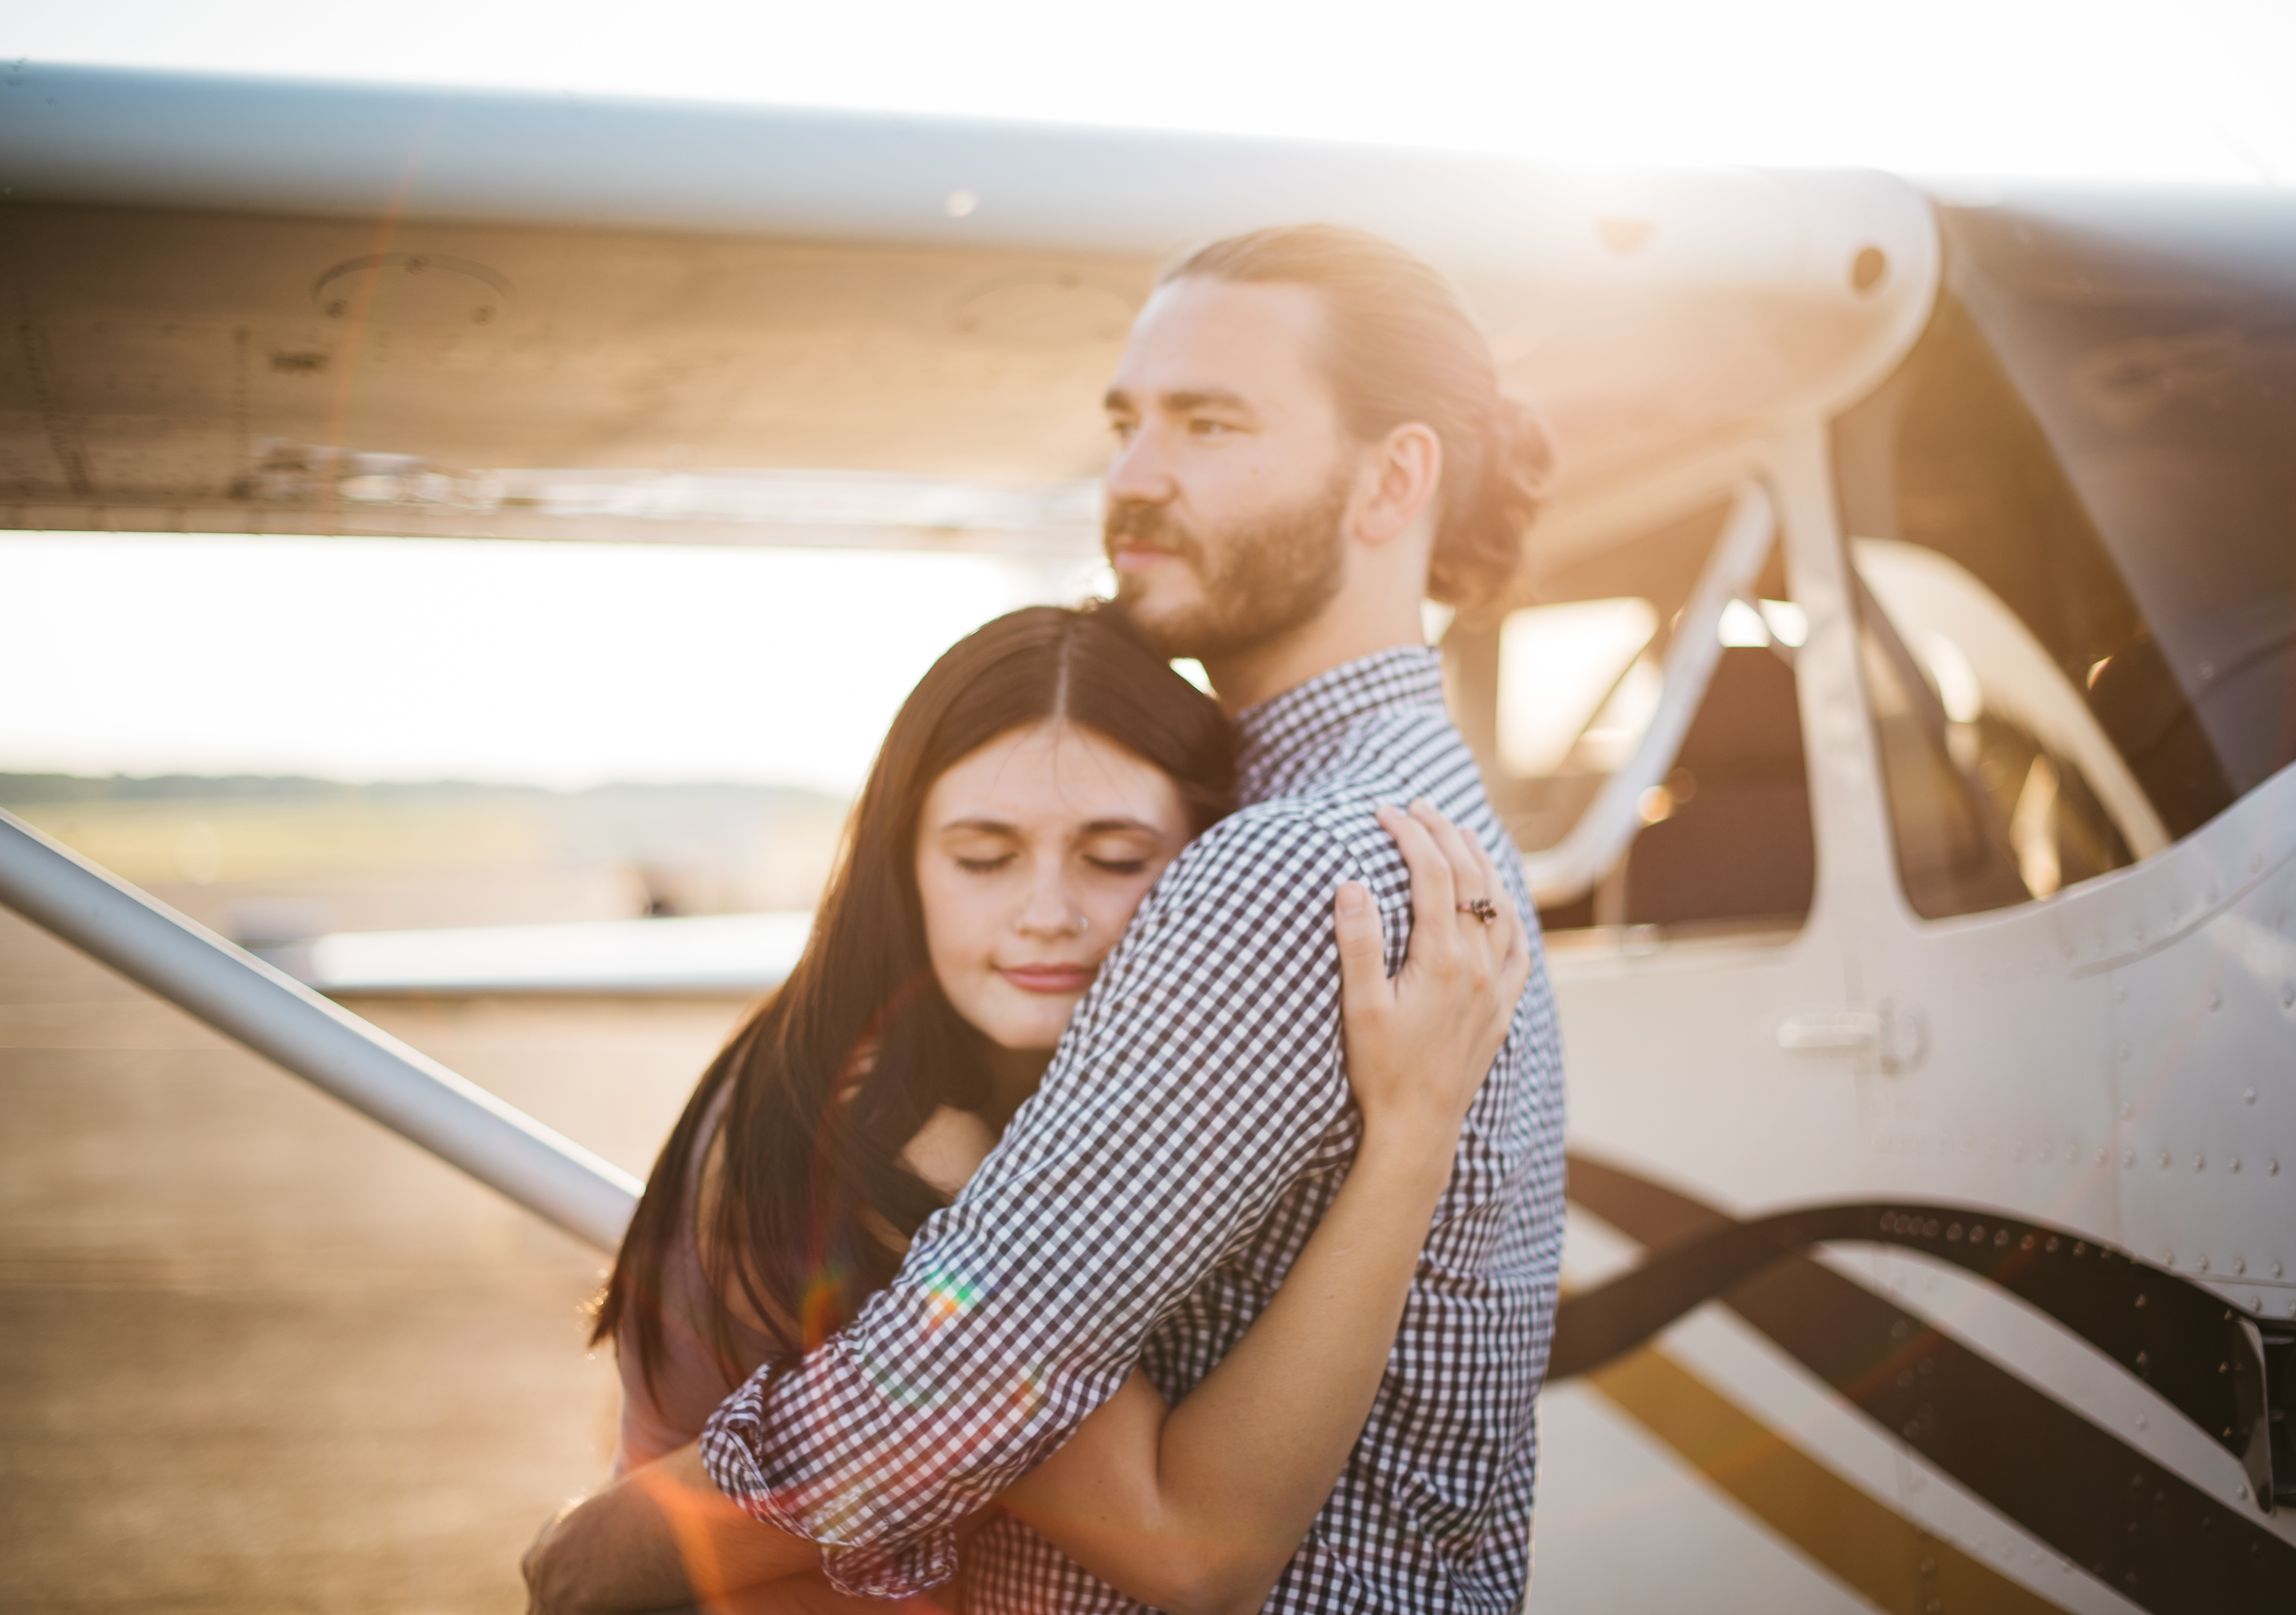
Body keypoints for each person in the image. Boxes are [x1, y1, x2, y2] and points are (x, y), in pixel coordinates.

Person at [524, 223, 1565, 1614]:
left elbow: (979, 1357)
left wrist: (633, 1539)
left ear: (1393, 478)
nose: (1132, 479)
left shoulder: (1289, 864)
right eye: (1127, 423)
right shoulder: (1415, 816)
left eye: (1209, 422)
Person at [552, 602, 1525, 1615]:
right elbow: (1193, 1552)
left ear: (1196, 865)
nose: (1046, 911)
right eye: (983, 856)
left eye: (1113, 860)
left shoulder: (884, 1061)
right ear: (905, 865)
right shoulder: (906, 1129)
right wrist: (1412, 1135)